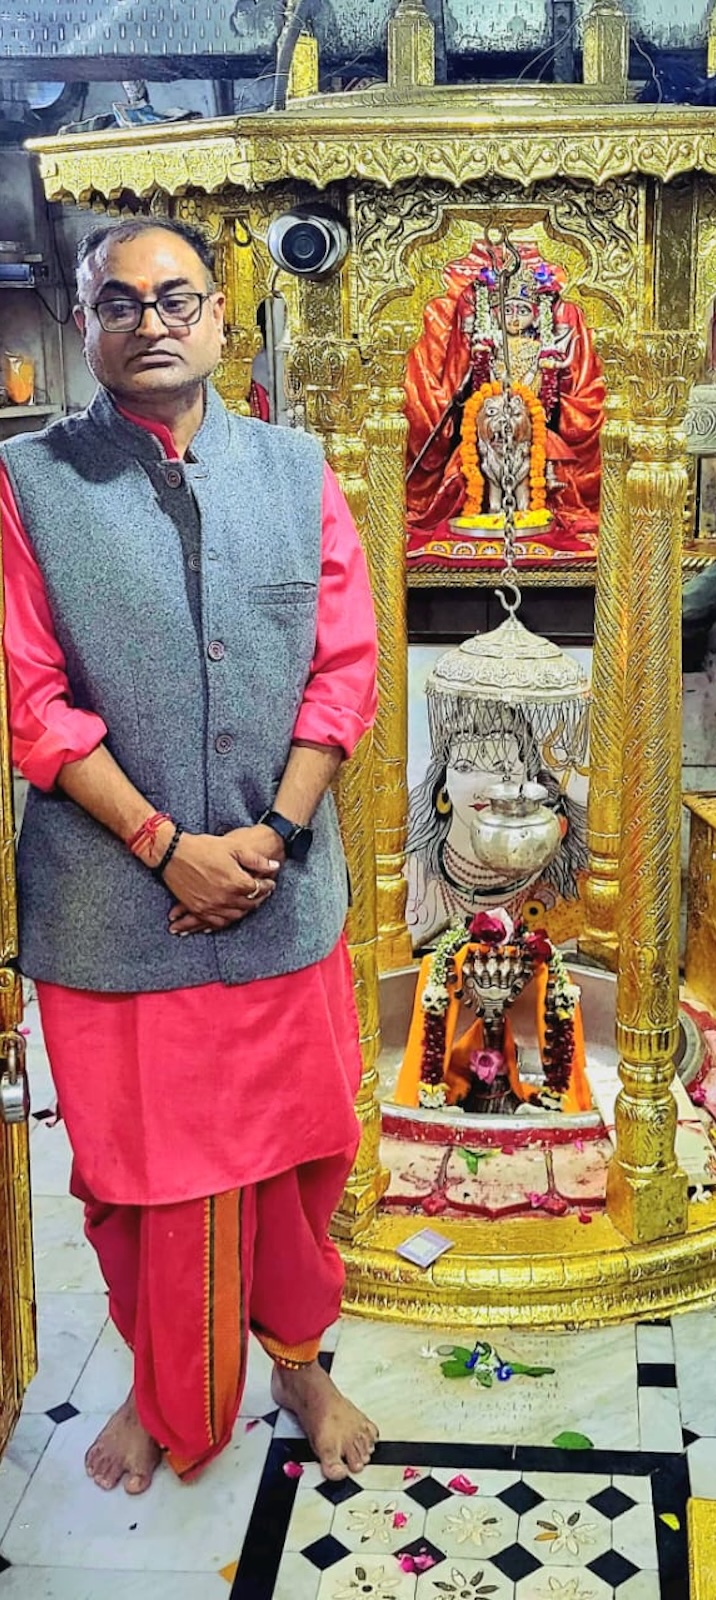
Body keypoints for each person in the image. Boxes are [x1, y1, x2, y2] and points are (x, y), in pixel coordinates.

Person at [0, 217, 380, 1494]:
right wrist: (169, 849)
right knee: (137, 1173)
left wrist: (268, 836)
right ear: (82, 326)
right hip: (116, 907)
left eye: (176, 298)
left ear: (222, 317)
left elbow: (343, 668)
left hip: (276, 893)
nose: (150, 320)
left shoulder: (297, 467)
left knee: (292, 1154)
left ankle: (300, 1358)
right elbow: (31, 700)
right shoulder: (28, 484)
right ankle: (160, 1387)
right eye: (119, 301)